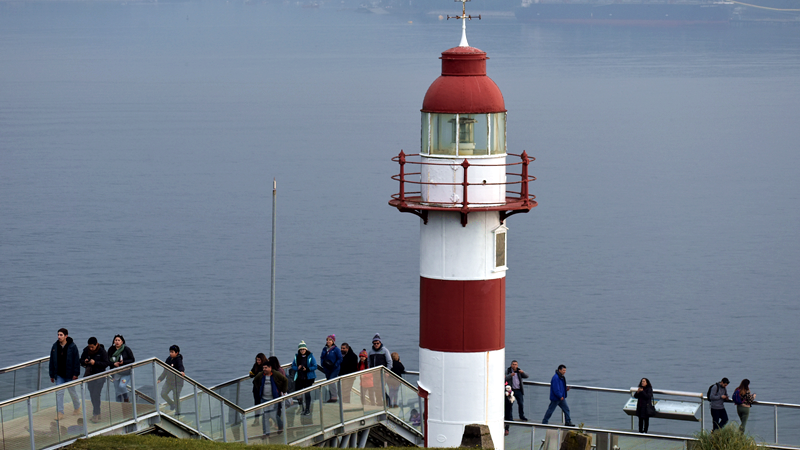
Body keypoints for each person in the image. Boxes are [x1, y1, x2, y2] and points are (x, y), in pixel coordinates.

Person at [49, 328, 81, 420]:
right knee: (59, 392)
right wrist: (51, 374)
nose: (59, 336)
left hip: (70, 374)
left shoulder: (72, 346)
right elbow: (52, 361)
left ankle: (77, 407)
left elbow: (76, 361)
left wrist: (76, 373)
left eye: (61, 335)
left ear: (66, 336)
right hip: (59, 374)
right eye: (58, 334)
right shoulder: (55, 346)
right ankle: (60, 412)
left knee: (72, 392)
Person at [254, 361, 288, 437]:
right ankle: (266, 433)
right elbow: (255, 381)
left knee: (273, 415)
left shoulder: (275, 374)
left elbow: (285, 380)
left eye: (266, 368)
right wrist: (259, 389)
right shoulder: (261, 375)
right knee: (265, 416)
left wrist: (283, 390)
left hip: (273, 399)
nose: (264, 369)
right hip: (264, 399)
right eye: (263, 368)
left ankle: (280, 426)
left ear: (270, 368)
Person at [80, 337, 109, 423]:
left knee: (96, 394)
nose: (91, 348)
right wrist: (84, 361)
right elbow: (80, 360)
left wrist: (95, 363)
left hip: (99, 376)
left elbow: (106, 363)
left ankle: (95, 414)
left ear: (96, 344)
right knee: (92, 395)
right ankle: (97, 412)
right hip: (90, 375)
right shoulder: (86, 350)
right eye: (89, 347)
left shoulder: (102, 352)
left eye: (92, 347)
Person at [290, 341, 317, 416]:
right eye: (301, 349)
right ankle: (301, 408)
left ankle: (307, 409)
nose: (302, 351)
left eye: (303, 349)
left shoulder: (310, 356)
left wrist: (307, 369)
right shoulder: (297, 357)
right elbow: (293, 366)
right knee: (298, 394)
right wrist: (297, 368)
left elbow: (315, 366)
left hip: (308, 378)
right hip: (299, 377)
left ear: (306, 349)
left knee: (307, 394)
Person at [157, 345, 185, 413]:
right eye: (170, 352)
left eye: (172, 352)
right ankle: (172, 404)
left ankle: (178, 412)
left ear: (177, 353)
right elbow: (165, 371)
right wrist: (160, 378)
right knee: (163, 393)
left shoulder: (178, 359)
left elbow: (180, 366)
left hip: (177, 383)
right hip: (169, 381)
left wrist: (181, 371)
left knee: (176, 397)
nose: (170, 353)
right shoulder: (168, 359)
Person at [108, 335, 135, 403]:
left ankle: (126, 398)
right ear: (114, 341)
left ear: (122, 342)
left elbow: (132, 359)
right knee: (117, 392)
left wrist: (123, 362)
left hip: (125, 372)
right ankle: (119, 406)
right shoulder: (111, 350)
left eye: (119, 340)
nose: (117, 342)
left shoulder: (126, 349)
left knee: (122, 386)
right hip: (115, 373)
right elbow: (107, 361)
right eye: (116, 340)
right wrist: (114, 364)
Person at [320, 334, 342, 403]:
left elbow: (340, 358)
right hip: (327, 368)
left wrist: (335, 365)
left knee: (331, 381)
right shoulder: (324, 349)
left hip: (335, 368)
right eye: (327, 340)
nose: (328, 341)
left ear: (333, 341)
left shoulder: (336, 349)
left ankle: (334, 396)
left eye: (330, 340)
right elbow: (322, 357)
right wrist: (322, 364)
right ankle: (331, 397)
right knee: (329, 382)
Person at [249, 353, 268, 425]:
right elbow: (252, 373)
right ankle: (256, 420)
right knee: (256, 404)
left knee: (266, 403)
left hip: (264, 387)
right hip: (256, 388)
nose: (258, 361)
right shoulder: (255, 365)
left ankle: (268, 419)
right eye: (257, 360)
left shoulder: (266, 366)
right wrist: (251, 374)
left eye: (259, 360)